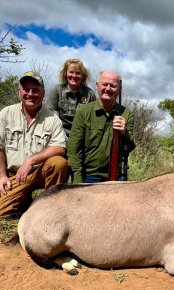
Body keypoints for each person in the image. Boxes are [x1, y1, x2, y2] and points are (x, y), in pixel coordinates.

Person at [0, 71, 69, 217]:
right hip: (14, 176)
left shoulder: (52, 118)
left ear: (43, 93)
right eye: (26, 89)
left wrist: (31, 160)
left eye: (36, 90)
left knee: (59, 163)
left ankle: (51, 210)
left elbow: (60, 147)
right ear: (19, 92)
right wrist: (2, 175)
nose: (30, 94)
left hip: (39, 172)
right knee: (1, 211)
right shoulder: (6, 113)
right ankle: (24, 202)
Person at [67, 70, 135, 183]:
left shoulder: (127, 114)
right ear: (97, 86)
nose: (108, 89)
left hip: (116, 179)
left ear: (119, 89)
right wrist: (78, 183)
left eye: (113, 86)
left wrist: (124, 133)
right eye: (104, 84)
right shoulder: (83, 112)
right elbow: (74, 151)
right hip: (88, 177)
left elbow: (130, 148)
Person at [46, 58, 96, 137]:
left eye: (78, 73)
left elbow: (92, 121)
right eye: (71, 72)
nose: (74, 76)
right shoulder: (56, 91)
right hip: (59, 135)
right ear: (65, 73)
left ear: (83, 76)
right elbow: (52, 118)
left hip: (82, 136)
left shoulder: (90, 94)